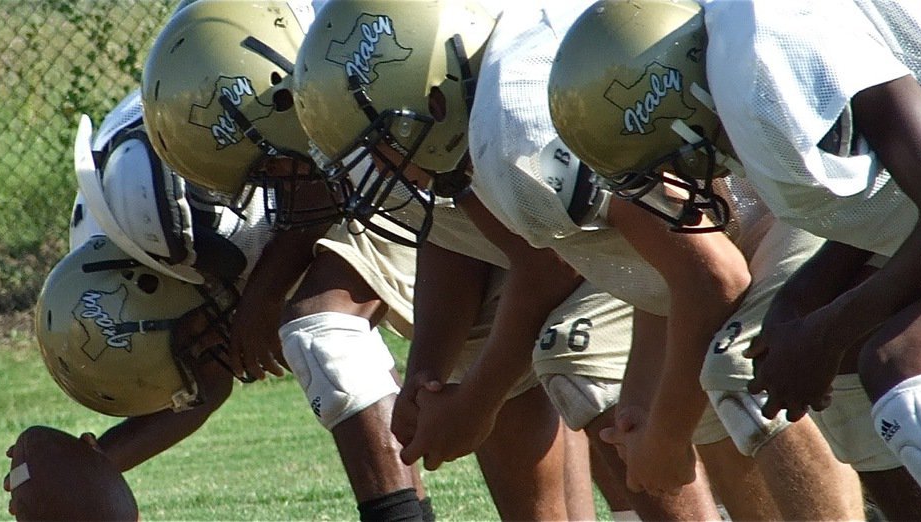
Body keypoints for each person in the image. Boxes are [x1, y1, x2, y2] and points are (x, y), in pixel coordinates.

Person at [547, 0, 921, 519]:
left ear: (682, 104)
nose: (682, 184)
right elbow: (907, 202)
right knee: (851, 373)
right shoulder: (744, 47)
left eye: (668, 159)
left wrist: (821, 333)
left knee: (911, 363)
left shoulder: (759, 83)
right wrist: (800, 307)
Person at [292, 1, 864, 520]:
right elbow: (666, 267)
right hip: (765, 180)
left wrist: (665, 433)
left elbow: (712, 271)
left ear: (434, 101)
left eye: (384, 143)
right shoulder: (496, 100)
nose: (391, 168)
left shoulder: (519, 129)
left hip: (823, 163)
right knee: (701, 390)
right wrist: (646, 398)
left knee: (737, 371)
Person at [140, 1, 606, 519]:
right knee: (574, 376)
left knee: (603, 375)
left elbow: (552, 265)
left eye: (272, 163)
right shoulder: (373, 102)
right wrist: (427, 374)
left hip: (582, 128)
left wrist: (477, 401)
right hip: (527, 158)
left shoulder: (430, 90)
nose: (277, 185)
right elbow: (450, 232)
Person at [35, 84, 438, 521]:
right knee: (330, 341)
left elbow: (307, 162)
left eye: (190, 349)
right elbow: (203, 388)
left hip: (391, 117)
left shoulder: (174, 209)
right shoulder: (134, 266)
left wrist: (265, 290)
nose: (214, 358)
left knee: (324, 337)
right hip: (346, 164)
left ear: (154, 291)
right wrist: (85, 467)